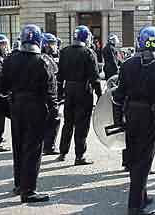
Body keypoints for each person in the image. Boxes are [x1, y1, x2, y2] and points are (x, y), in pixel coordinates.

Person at [113, 26, 155, 215]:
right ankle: (135, 207)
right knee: (143, 161)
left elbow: (117, 96)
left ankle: (142, 195)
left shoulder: (127, 64)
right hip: (149, 117)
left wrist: (118, 121)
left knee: (133, 157)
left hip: (130, 114)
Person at [0, 24, 56, 203]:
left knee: (18, 145)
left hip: (16, 105)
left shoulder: (10, 59)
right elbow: (50, 92)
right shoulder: (43, 61)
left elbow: (2, 88)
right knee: (33, 148)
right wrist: (54, 114)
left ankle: (19, 184)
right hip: (36, 107)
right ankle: (29, 190)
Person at [56, 25, 102, 164]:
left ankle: (62, 152)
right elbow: (95, 77)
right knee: (82, 124)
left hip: (69, 90)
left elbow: (60, 76)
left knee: (68, 123)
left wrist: (60, 95)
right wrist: (100, 95)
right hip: (83, 90)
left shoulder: (64, 51)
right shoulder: (88, 53)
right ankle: (79, 155)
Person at [41, 32, 61, 155]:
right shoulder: (43, 58)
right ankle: (49, 146)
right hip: (48, 94)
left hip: (50, 93)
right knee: (53, 119)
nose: (53, 46)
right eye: (51, 44)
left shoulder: (49, 56)